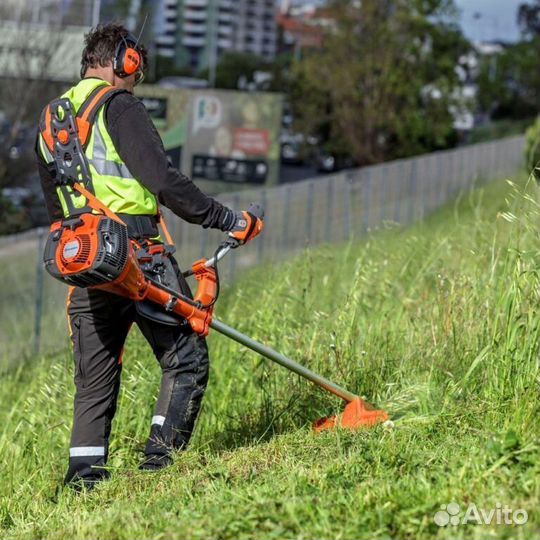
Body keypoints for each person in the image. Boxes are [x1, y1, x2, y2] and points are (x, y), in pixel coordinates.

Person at [34, 23, 263, 490]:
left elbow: (56, 204)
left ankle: (83, 484)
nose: (135, 81)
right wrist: (226, 219)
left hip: (87, 261)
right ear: (124, 62)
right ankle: (160, 468)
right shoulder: (119, 106)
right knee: (185, 358)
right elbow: (162, 179)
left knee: (94, 381)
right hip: (140, 257)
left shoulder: (51, 120)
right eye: (135, 71)